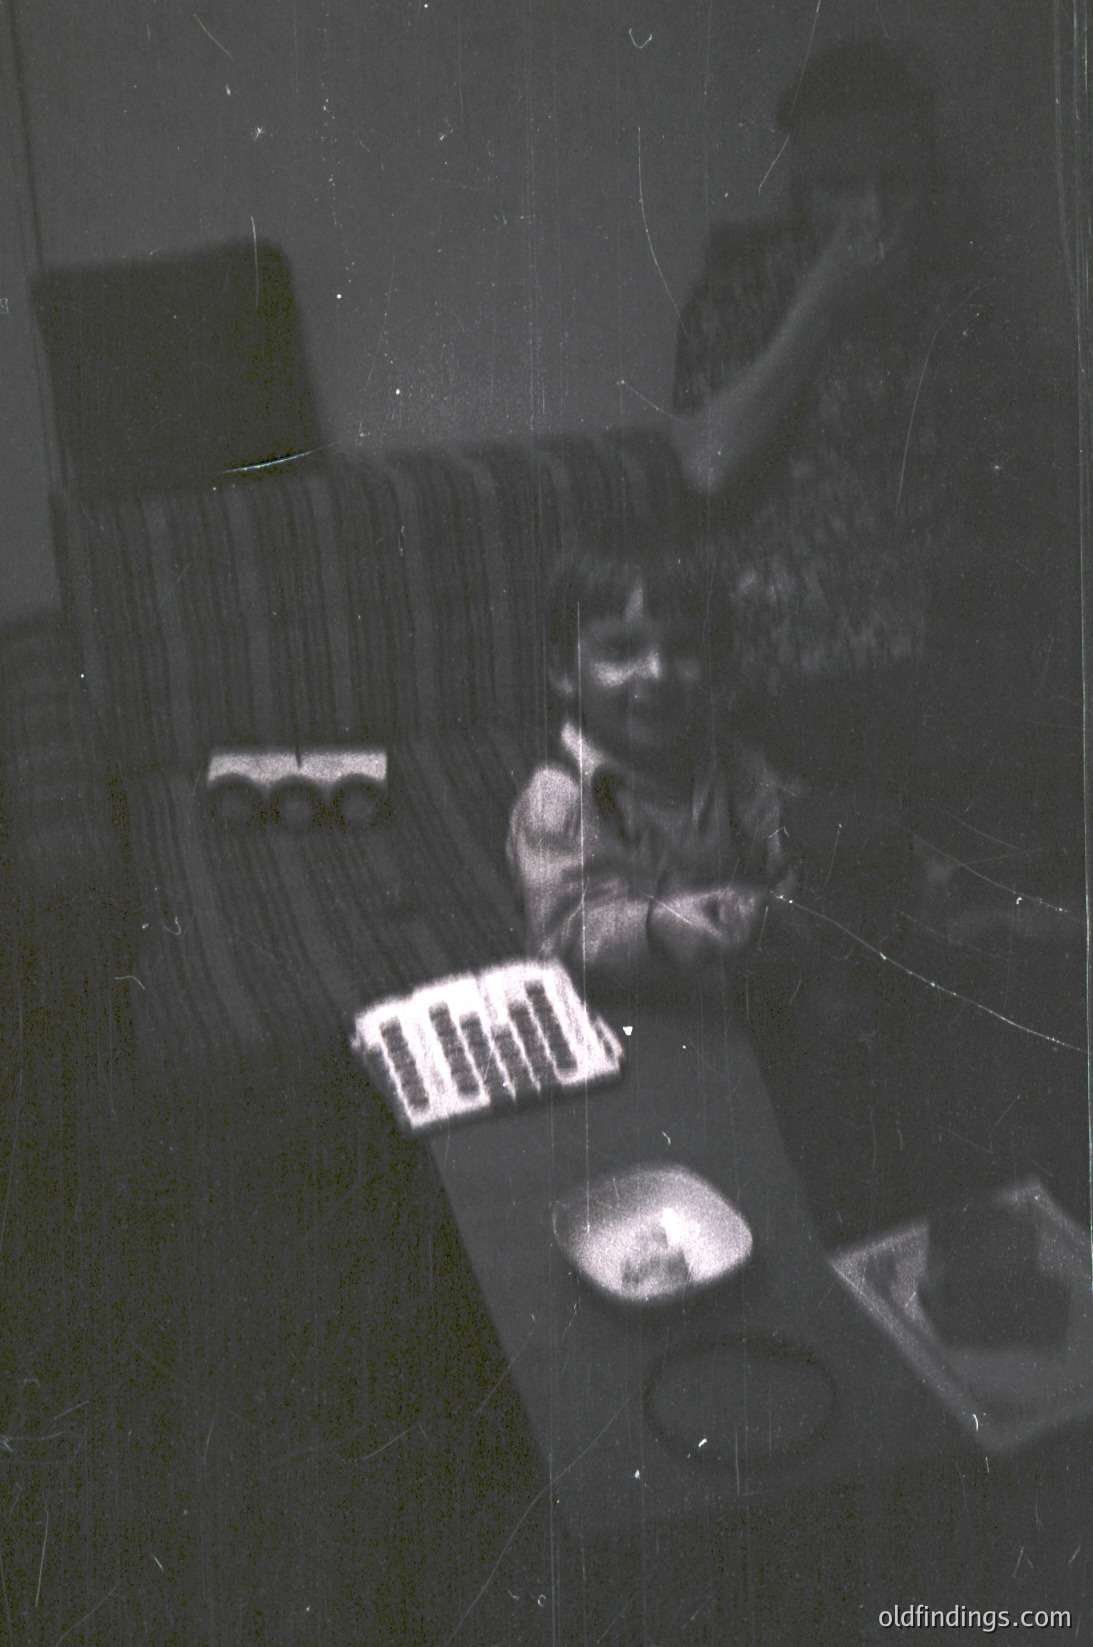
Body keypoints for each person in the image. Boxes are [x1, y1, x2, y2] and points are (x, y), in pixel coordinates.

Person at [670, 39, 1015, 795]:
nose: (873, 212)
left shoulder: (953, 301)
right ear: (802, 191)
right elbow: (706, 464)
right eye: (842, 186)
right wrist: (820, 306)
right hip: (798, 655)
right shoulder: (744, 292)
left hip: (936, 652)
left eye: (895, 181)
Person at [505, 525, 904, 1003]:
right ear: (563, 673)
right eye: (620, 650)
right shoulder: (559, 801)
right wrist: (655, 929)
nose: (657, 673)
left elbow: (777, 830)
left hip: (734, 991)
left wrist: (797, 877)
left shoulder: (727, 761)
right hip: (631, 1008)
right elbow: (564, 933)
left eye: (682, 649)